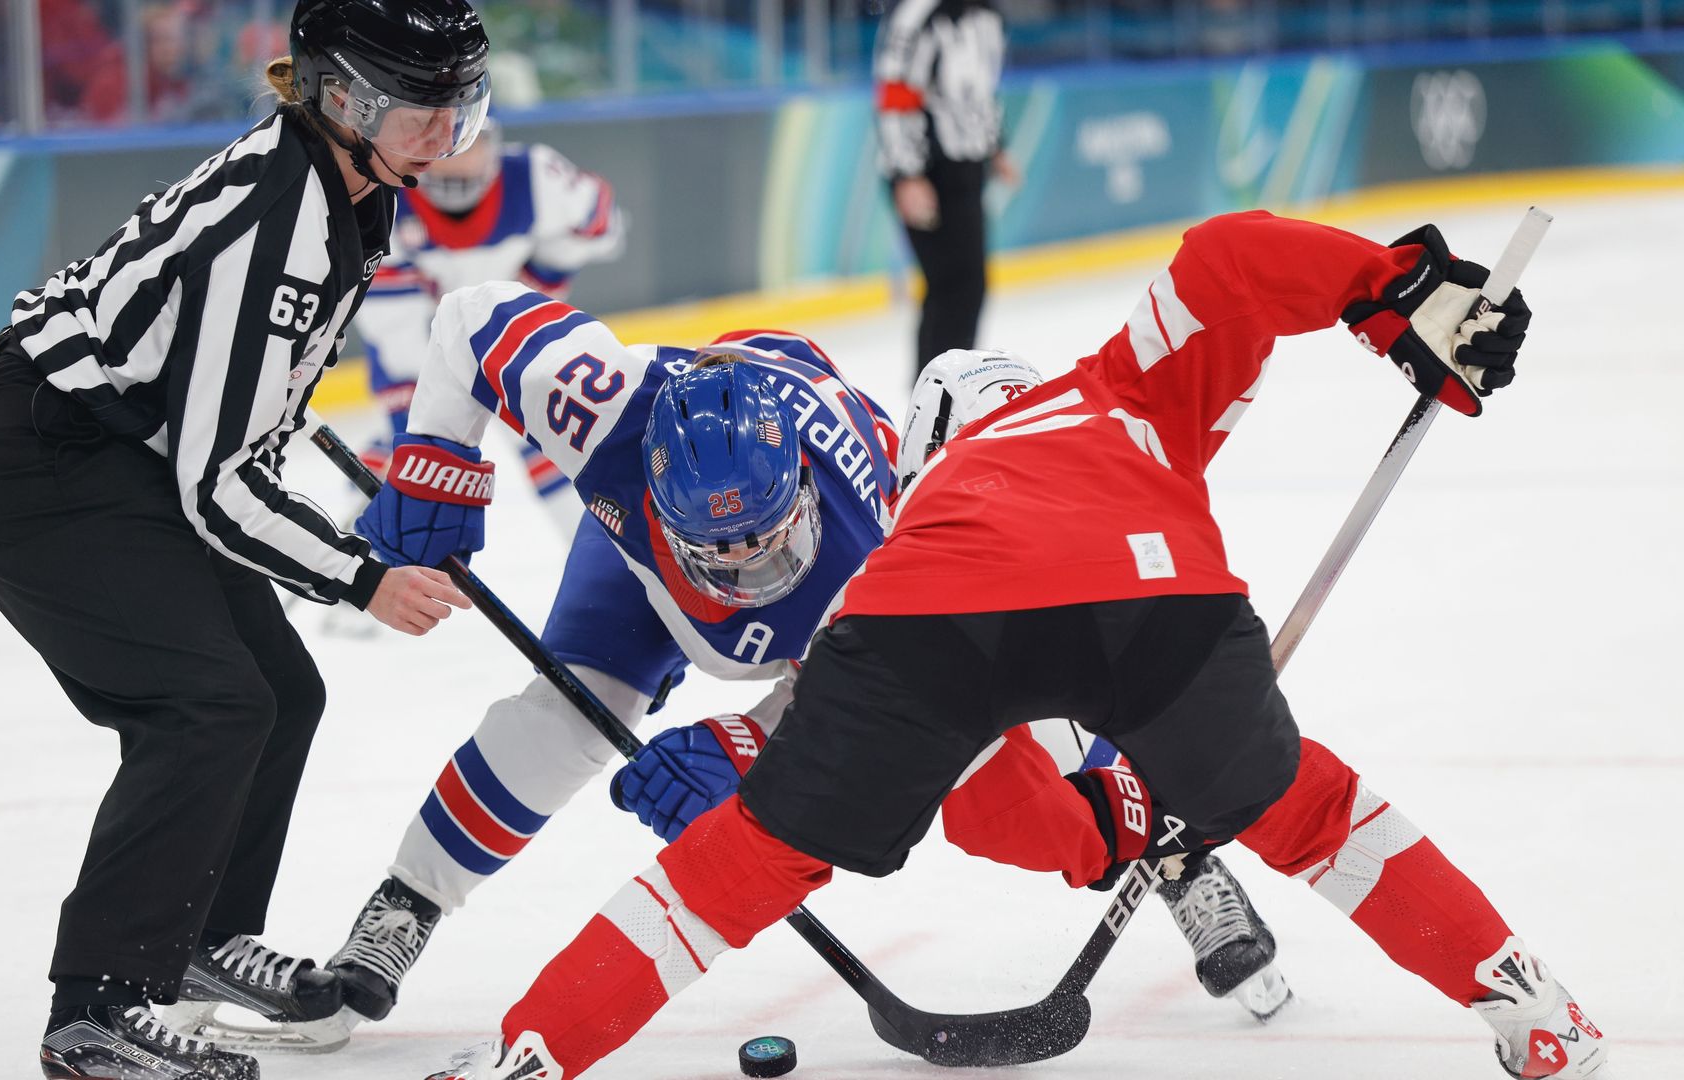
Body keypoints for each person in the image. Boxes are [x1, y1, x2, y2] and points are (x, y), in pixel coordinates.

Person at [417, 211, 1613, 1080]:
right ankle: (1532, 1006)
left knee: (735, 871)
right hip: (1150, 585)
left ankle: (527, 1057)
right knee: (1312, 814)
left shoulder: (909, 513)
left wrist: (738, 755)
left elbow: (976, 797)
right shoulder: (1118, 391)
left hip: (930, 620)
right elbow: (1234, 261)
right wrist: (1392, 290)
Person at [323, 287, 1290, 1033]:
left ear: (802, 493)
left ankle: (1176, 851)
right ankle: (405, 903)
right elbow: (468, 321)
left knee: (1035, 699)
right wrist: (440, 466)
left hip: (859, 596)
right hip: (644, 560)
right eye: (722, 551)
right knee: (563, 716)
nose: (746, 568)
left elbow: (873, 704)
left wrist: (744, 749)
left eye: (766, 542)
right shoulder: (602, 407)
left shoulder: (886, 545)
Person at [0, 2, 489, 1076]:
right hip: (35, 460)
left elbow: (228, 411)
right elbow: (218, 487)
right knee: (206, 706)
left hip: (112, 450)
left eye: (458, 101)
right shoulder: (282, 219)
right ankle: (98, 1006)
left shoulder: (345, 185)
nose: (445, 126)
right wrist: (362, 575)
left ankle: (197, 945)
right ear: (340, 97)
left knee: (280, 691)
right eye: (422, 104)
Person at [355, 119, 627, 537]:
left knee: (559, 450)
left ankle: (600, 559)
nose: (456, 159)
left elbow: (604, 225)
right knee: (407, 463)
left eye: (469, 142)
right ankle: (361, 536)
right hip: (423, 354)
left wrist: (541, 275)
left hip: (516, 341)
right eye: (441, 145)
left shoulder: (536, 176)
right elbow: (397, 336)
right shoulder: (382, 198)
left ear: (496, 143)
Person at [875, 0, 1018, 379]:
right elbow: (895, 93)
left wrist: (996, 146)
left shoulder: (987, 15)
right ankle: (936, 404)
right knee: (953, 288)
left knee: (967, 286)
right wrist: (908, 175)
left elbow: (981, 90)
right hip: (928, 171)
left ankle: (948, 395)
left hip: (967, 169)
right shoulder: (919, 13)